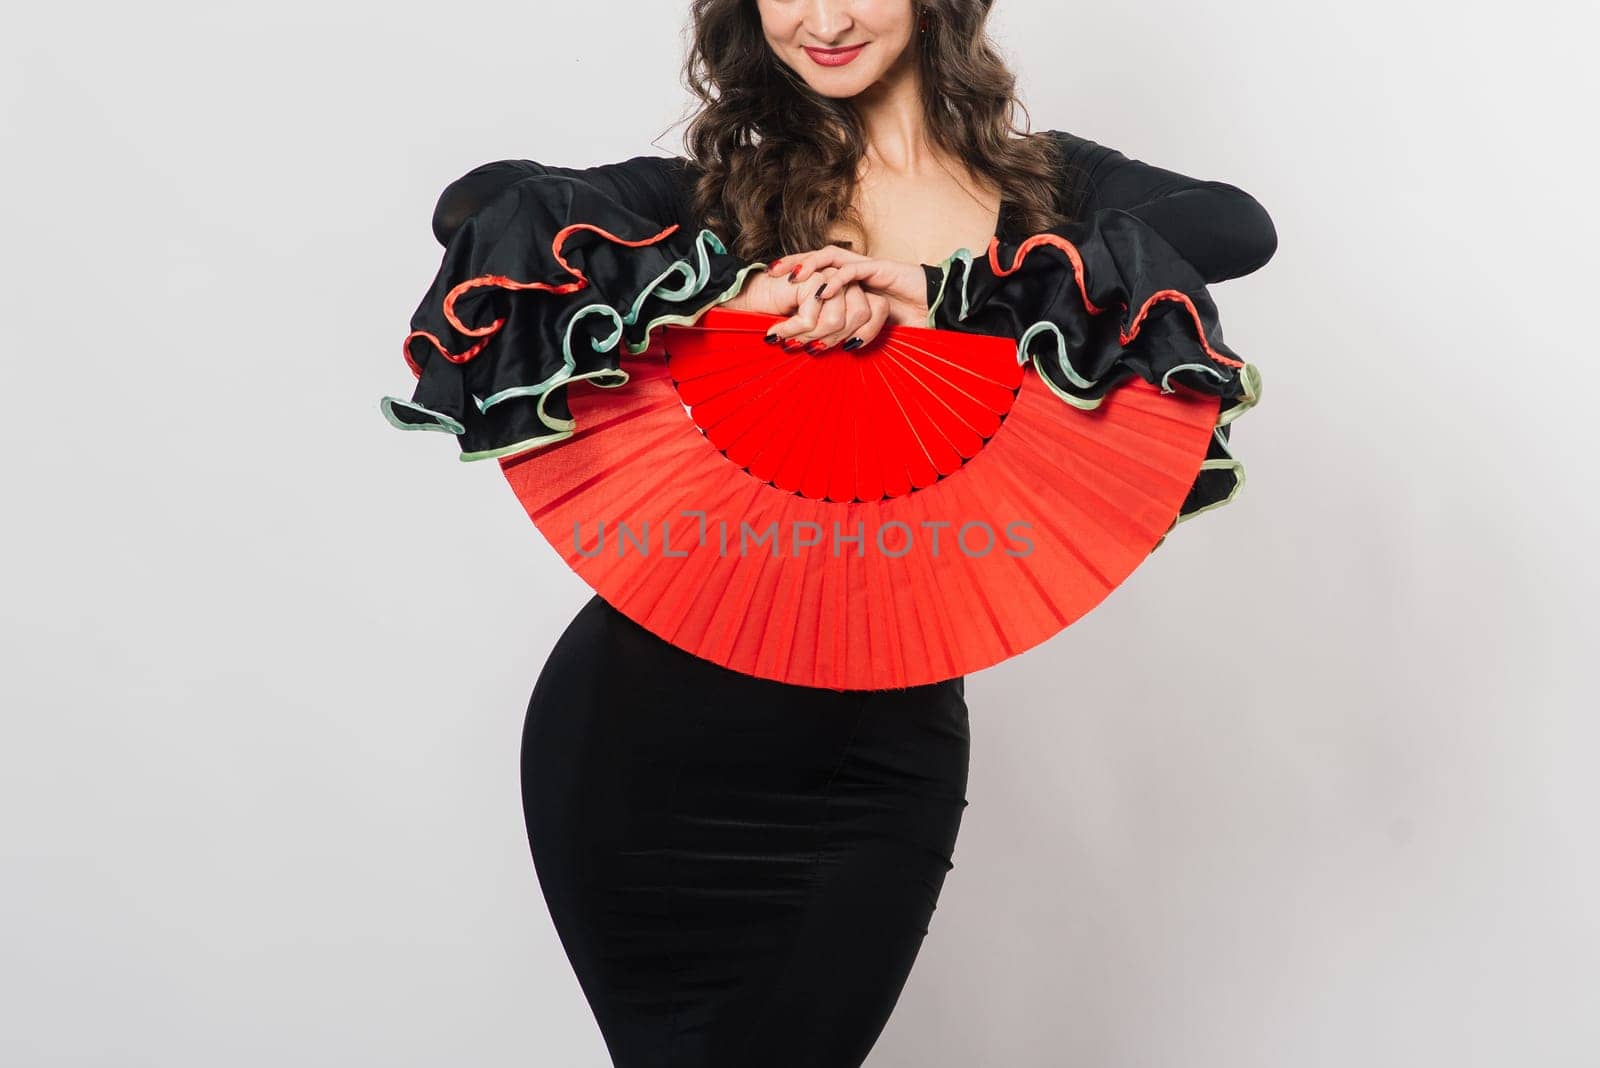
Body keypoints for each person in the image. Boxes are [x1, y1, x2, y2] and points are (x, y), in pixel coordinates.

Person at [383, 2, 1276, 1064]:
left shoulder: (1046, 188)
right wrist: (734, 291)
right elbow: (481, 205)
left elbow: (1234, 229)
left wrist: (943, 293)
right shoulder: (721, 194)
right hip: (645, 733)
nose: (824, 17)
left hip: (880, 750)